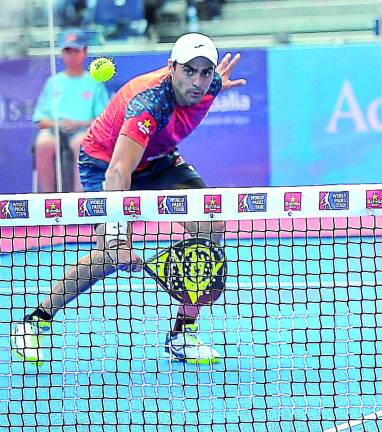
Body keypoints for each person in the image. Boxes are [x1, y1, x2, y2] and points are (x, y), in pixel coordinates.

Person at [12, 32, 246, 366]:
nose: (197, 80)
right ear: (171, 68)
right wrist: (118, 235)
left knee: (210, 226)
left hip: (159, 162)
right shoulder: (149, 103)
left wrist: (217, 82)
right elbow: (118, 172)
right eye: (189, 71)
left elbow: (208, 84)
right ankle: (35, 320)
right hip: (104, 164)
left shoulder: (207, 87)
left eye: (205, 72)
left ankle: (182, 334)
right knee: (108, 255)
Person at [32, 30, 109, 192]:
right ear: (62, 54)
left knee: (81, 142)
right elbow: (40, 119)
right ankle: (47, 198)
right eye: (68, 51)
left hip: (82, 130)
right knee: (43, 143)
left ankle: (77, 199)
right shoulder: (53, 82)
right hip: (55, 129)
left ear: (85, 52)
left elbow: (103, 119)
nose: (72, 55)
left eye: (76, 51)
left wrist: (77, 124)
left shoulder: (94, 82)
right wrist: (59, 124)